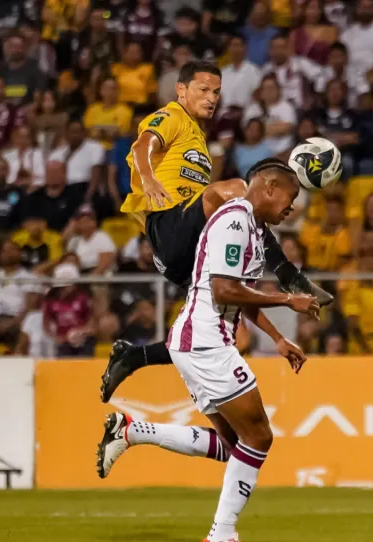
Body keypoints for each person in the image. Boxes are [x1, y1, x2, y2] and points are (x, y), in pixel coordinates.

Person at [96, 161, 317, 542]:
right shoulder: (234, 220)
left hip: (201, 340)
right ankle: (221, 537)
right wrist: (288, 299)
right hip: (206, 341)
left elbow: (241, 294)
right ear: (268, 188)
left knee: (236, 445)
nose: (292, 207)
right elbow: (223, 290)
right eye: (291, 196)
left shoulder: (251, 227)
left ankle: (132, 432)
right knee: (259, 437)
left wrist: (278, 338)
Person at [101, 62, 331, 401]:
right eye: (204, 90)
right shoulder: (172, 115)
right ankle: (288, 274)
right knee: (236, 190)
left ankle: (133, 357)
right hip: (168, 225)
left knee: (226, 334)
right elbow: (141, 148)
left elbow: (235, 295)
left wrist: (278, 338)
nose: (212, 98)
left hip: (183, 252)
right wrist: (148, 178)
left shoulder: (199, 139)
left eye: (217, 93)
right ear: (181, 90)